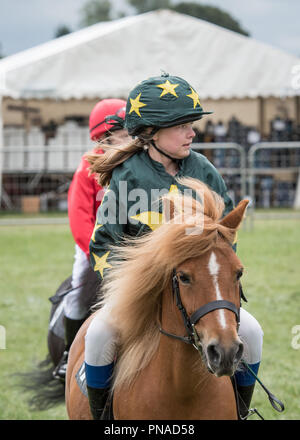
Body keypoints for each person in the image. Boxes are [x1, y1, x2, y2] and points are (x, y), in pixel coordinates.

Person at [84, 73, 263, 419]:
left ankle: (239, 412)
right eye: (181, 125)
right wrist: (128, 289)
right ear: (150, 131)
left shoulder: (205, 171)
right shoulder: (127, 174)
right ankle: (102, 416)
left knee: (252, 333)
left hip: (199, 293)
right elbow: (104, 242)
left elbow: (225, 242)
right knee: (98, 335)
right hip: (142, 294)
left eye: (192, 124)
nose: (192, 133)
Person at [52, 98, 129, 381]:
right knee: (76, 296)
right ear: (105, 135)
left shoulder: (138, 162)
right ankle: (67, 355)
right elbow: (79, 216)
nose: (130, 136)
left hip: (130, 245)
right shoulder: (88, 166)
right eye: (123, 131)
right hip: (93, 245)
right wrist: (95, 253)